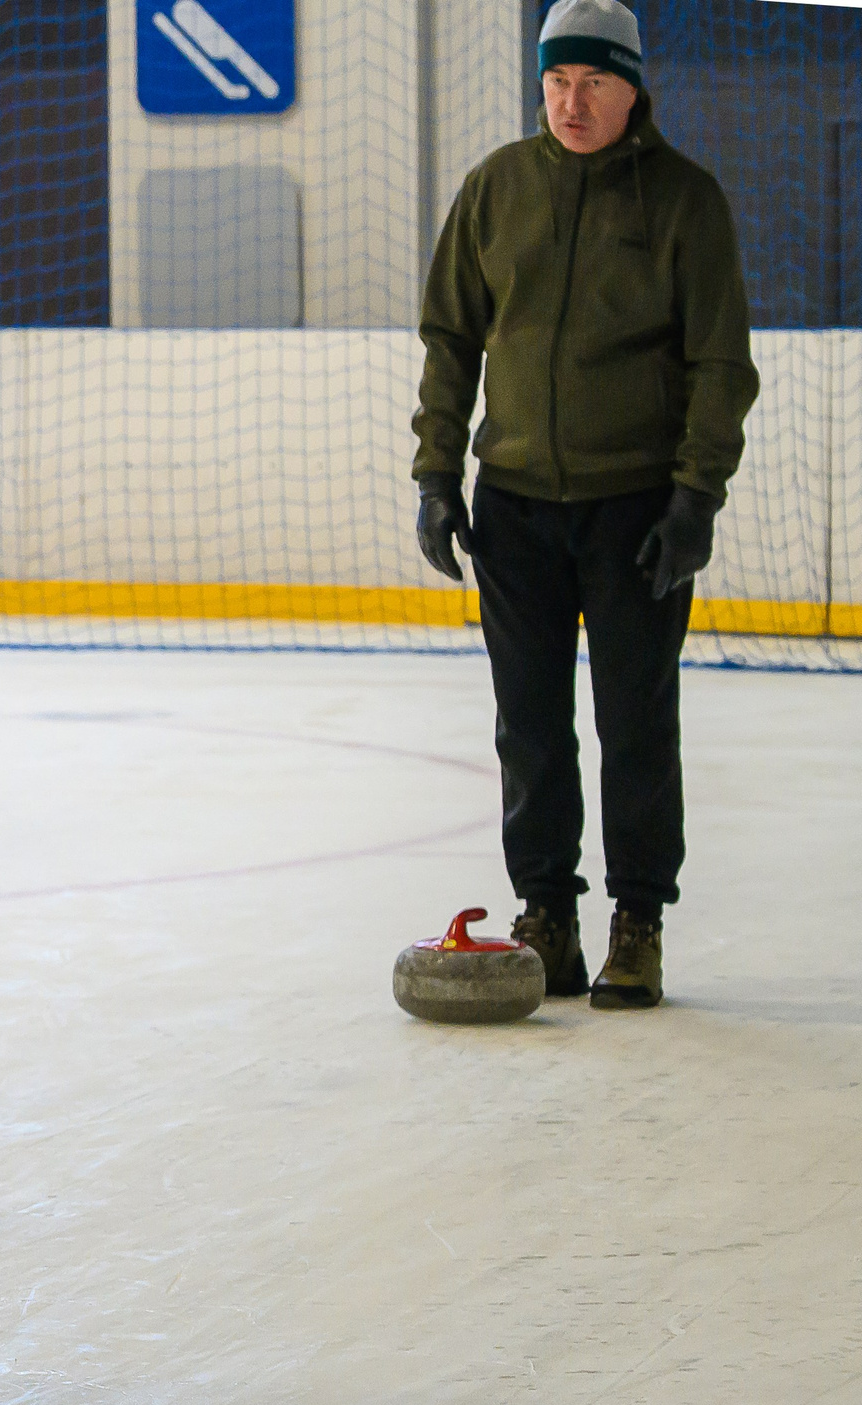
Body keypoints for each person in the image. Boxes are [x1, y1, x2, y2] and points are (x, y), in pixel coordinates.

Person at [412, 0, 758, 1010]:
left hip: (633, 509)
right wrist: (436, 476)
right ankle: (545, 917)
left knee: (635, 723)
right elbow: (450, 339)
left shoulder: (684, 201)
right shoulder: (496, 188)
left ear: (632, 86)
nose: (570, 101)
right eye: (555, 81)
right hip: (513, 503)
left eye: (592, 81)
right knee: (527, 724)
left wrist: (694, 497)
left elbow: (719, 361)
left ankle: (637, 922)